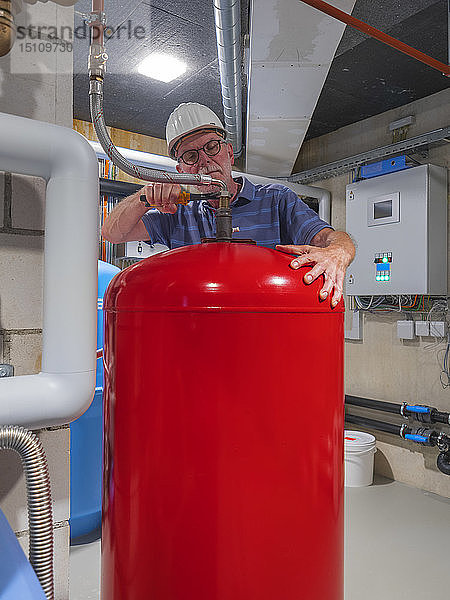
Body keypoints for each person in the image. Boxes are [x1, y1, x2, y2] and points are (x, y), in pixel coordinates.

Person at [102, 103, 355, 307]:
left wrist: (338, 253)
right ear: (181, 170)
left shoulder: (277, 199)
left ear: (229, 153)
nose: (204, 160)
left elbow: (330, 239)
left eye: (212, 147)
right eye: (191, 156)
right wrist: (143, 198)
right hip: (199, 340)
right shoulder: (178, 215)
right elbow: (112, 233)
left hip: (265, 337)